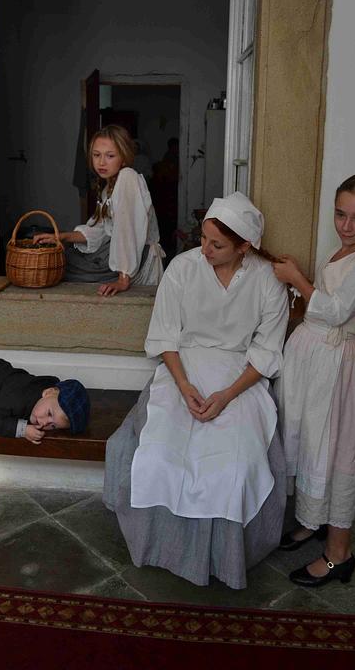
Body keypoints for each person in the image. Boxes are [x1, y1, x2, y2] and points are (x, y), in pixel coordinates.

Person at [103, 192, 289, 589]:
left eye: (216, 245)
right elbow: (165, 336)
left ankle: (223, 560)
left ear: (244, 247)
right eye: (203, 238)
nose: (204, 249)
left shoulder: (266, 280)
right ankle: (158, 548)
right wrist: (184, 384)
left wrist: (227, 395)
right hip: (182, 369)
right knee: (158, 455)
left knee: (234, 467)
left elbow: (267, 351)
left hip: (241, 376)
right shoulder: (183, 269)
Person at [273, 174, 355, 587]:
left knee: (336, 449)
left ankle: (340, 554)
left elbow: (337, 312)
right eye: (340, 214)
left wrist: (297, 279)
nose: (346, 225)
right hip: (312, 360)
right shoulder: (341, 251)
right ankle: (312, 521)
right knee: (309, 442)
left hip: (337, 363)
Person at [34, 125, 164, 297]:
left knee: (67, 270)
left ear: (124, 158)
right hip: (123, 262)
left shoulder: (128, 177)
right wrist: (61, 237)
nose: (101, 162)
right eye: (96, 155)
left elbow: (127, 229)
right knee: (65, 262)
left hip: (135, 262)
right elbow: (100, 230)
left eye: (110, 156)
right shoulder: (108, 188)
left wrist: (123, 278)